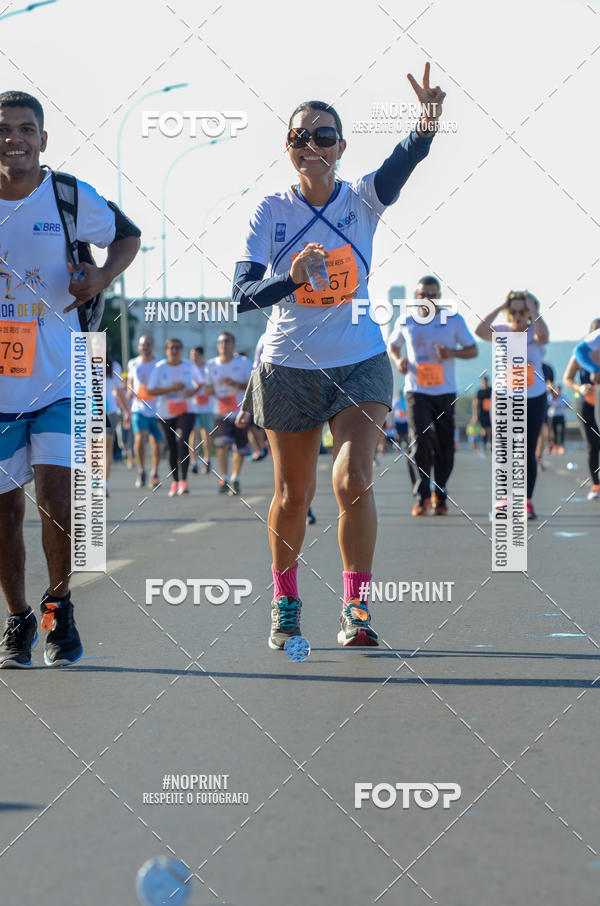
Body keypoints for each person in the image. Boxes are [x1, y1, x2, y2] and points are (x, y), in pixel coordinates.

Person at [232, 65, 446, 648]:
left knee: (353, 476)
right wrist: (290, 279)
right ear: (289, 148)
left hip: (361, 358)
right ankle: (285, 598)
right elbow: (243, 293)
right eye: (303, 136)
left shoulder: (363, 200)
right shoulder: (270, 213)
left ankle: (356, 606)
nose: (313, 145)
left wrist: (425, 124)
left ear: (342, 147)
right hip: (288, 366)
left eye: (325, 137)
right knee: (292, 495)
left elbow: (404, 163)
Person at [0, 91, 140, 668]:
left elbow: (128, 235)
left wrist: (101, 277)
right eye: (4, 130)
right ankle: (17, 619)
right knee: (4, 514)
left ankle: (59, 608)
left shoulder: (66, 196)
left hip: (62, 375)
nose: (15, 139)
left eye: (25, 129)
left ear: (43, 139)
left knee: (58, 501)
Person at [388, 275, 477, 516]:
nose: (428, 299)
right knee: (420, 441)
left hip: (445, 391)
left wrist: (451, 352)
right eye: (423, 295)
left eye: (433, 294)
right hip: (417, 391)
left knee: (445, 446)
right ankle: (421, 496)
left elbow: (473, 349)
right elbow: (393, 346)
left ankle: (440, 491)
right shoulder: (407, 321)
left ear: (439, 296)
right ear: (416, 298)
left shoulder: (453, 320)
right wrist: (398, 361)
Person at [475, 290, 550, 520]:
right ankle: (505, 500)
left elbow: (545, 336)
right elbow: (479, 330)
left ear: (529, 312)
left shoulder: (534, 334)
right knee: (505, 451)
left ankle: (526, 501)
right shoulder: (502, 332)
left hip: (533, 398)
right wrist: (501, 305)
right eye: (514, 311)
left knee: (526, 451)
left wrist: (533, 308)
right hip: (505, 397)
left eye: (523, 311)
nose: (518, 315)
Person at [148, 339, 200, 497]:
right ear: (166, 350)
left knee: (182, 441)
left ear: (182, 349)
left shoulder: (189, 366)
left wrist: (193, 391)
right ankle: (175, 481)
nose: (174, 350)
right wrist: (172, 388)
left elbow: (201, 383)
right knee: (171, 446)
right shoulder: (159, 368)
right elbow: (151, 391)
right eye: (171, 348)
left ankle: (184, 481)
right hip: (165, 411)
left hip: (187, 409)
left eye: (177, 347)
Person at [204, 332, 252, 496]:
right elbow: (207, 388)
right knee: (222, 444)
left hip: (240, 411)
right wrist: (215, 389)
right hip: (221, 411)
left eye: (227, 341)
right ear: (217, 346)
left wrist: (236, 384)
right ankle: (223, 477)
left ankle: (235, 477)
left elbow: (253, 386)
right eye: (221, 342)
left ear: (233, 345)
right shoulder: (211, 365)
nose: (224, 345)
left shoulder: (244, 363)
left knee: (240, 448)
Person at [564, 318, 600, 500]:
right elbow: (567, 378)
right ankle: (596, 484)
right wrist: (579, 388)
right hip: (585, 403)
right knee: (594, 444)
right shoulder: (580, 354)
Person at [127, 333, 162, 489]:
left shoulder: (160, 362)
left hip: (157, 409)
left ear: (152, 346)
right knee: (140, 439)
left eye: (148, 344)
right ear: (139, 347)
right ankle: (141, 470)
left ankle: (154, 472)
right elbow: (130, 383)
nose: (145, 347)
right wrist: (129, 391)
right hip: (138, 408)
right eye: (143, 344)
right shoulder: (133, 363)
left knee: (156, 443)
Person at [188, 346, 214, 476]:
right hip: (192, 407)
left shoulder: (208, 367)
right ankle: (194, 462)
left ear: (201, 356)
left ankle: (207, 459)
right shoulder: (188, 368)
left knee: (206, 434)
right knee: (194, 433)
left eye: (195, 355)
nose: (193, 358)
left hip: (207, 406)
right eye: (191, 355)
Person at [574, 323, 600, 428]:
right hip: (586, 401)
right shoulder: (597, 338)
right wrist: (595, 369)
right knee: (594, 443)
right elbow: (580, 351)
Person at [474, 375, 492, 453]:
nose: (485, 383)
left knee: (490, 430)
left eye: (486, 382)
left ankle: (490, 444)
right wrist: (475, 415)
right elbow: (475, 404)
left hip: (491, 413)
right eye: (483, 382)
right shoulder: (479, 391)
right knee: (484, 430)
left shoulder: (491, 390)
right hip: (482, 413)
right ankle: (484, 444)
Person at [547, 383, 567, 453]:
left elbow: (568, 405)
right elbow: (547, 404)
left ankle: (561, 446)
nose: (558, 391)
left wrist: (559, 405)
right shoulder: (550, 397)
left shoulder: (563, 397)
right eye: (556, 390)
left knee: (561, 431)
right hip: (552, 416)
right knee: (553, 432)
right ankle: (554, 446)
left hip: (561, 415)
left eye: (559, 390)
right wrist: (552, 404)